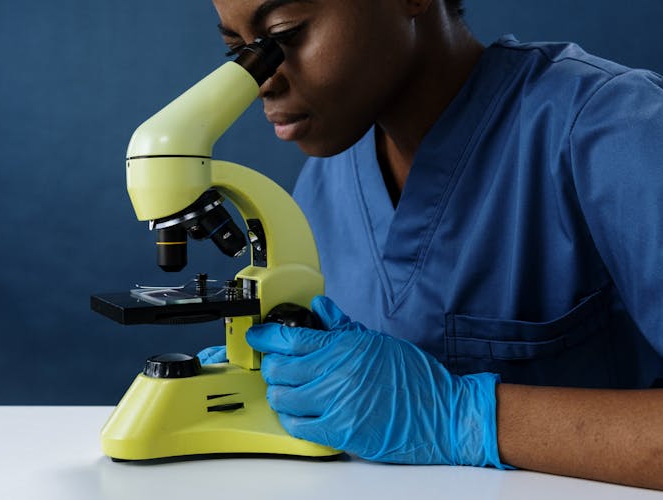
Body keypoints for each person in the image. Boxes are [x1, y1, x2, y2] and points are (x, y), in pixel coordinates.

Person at [200, 0, 663, 490]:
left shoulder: (614, 131)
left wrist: (459, 415)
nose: (261, 79)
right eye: (237, 49)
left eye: (285, 35)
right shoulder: (327, 178)